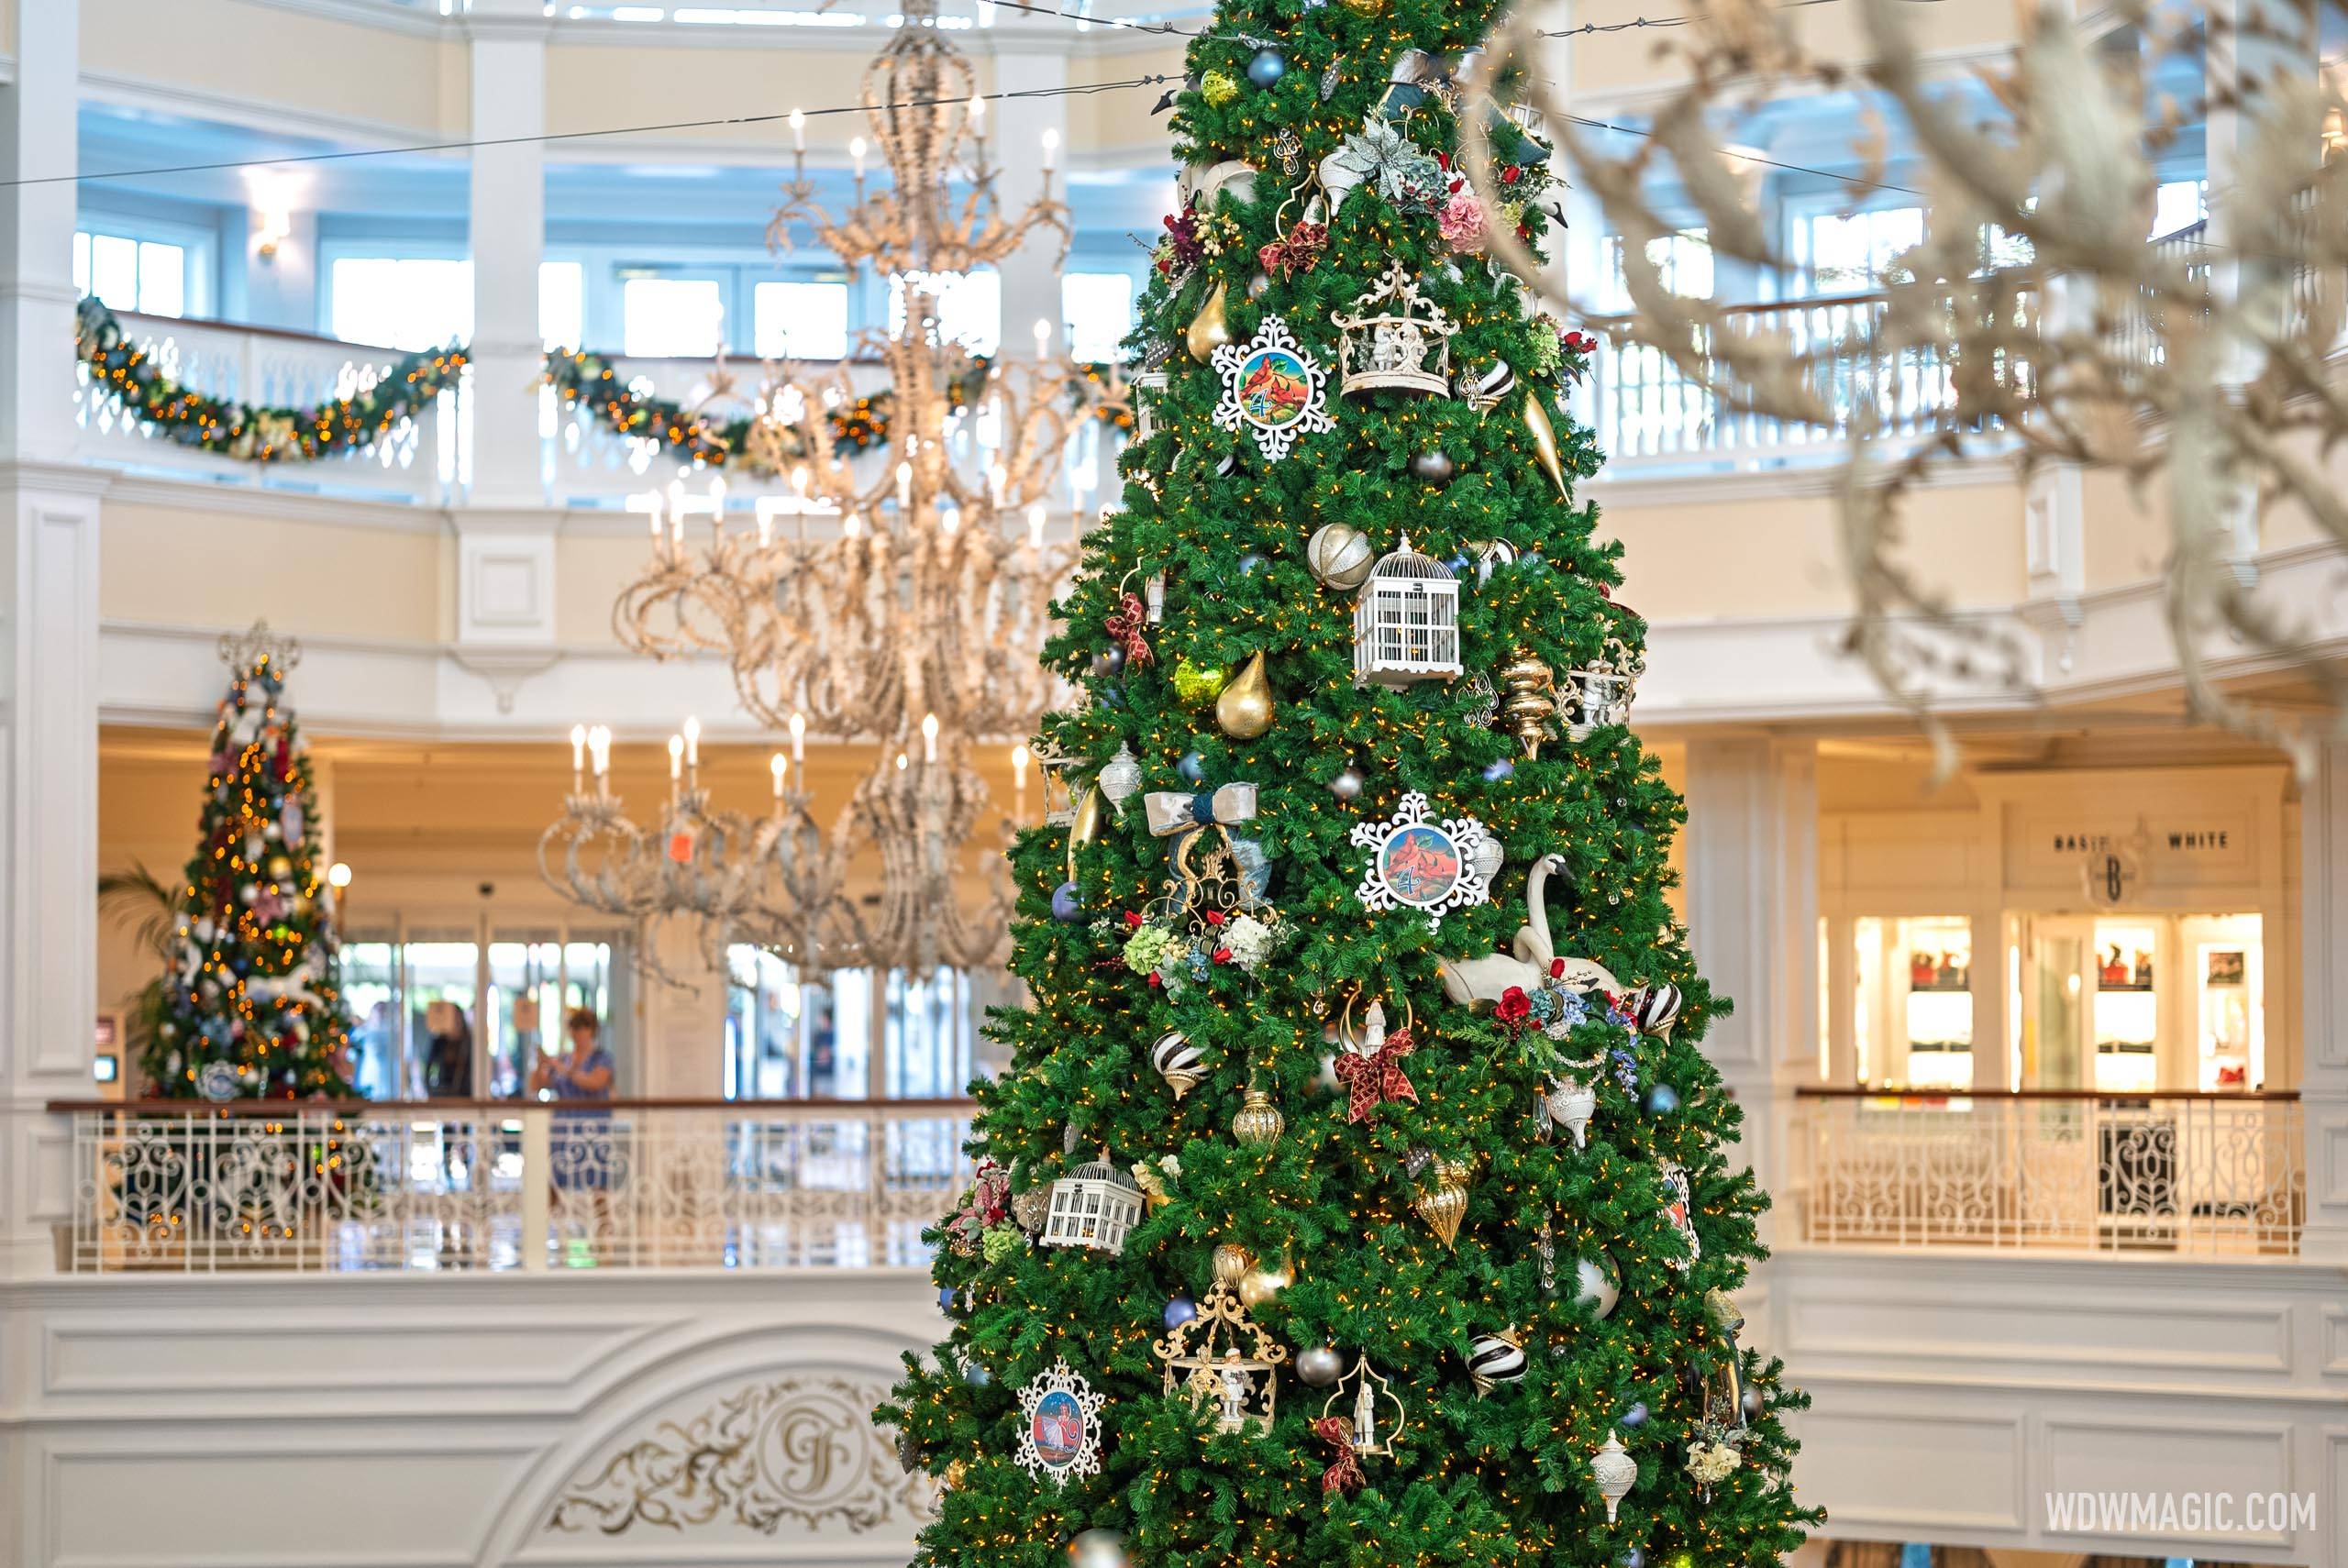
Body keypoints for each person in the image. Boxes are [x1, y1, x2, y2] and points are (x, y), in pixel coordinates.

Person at [532, 1009, 617, 1253]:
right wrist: (541, 1065)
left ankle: (603, 1232)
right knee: (555, 1176)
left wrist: (564, 1069)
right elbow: (537, 1084)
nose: (579, 1034)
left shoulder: (602, 1058)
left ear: (591, 1031)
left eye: (583, 1028)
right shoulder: (564, 1059)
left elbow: (595, 1083)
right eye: (575, 1028)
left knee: (598, 1180)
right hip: (564, 1126)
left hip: (593, 1126)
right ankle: (547, 1228)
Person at [422, 1001, 472, 1099]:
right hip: (442, 1096)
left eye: (457, 1017)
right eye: (452, 1017)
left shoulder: (469, 1042)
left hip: (465, 1096)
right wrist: (430, 1091)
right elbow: (428, 1066)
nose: (455, 1020)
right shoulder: (439, 1042)